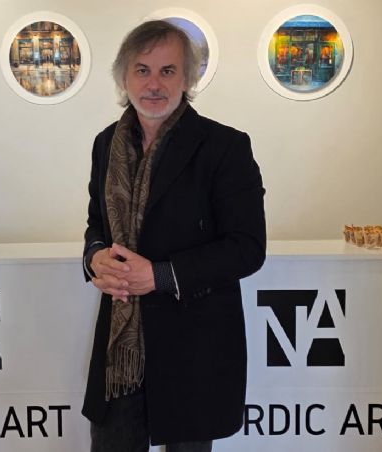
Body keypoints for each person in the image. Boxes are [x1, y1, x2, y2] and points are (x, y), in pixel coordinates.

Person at [82, 20, 266, 452]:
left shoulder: (225, 146)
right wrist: (94, 257)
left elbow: (247, 248)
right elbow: (96, 224)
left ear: (187, 79)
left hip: (193, 347)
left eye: (168, 71)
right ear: (123, 78)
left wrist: (160, 276)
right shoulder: (106, 144)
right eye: (142, 70)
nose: (154, 84)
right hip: (119, 353)